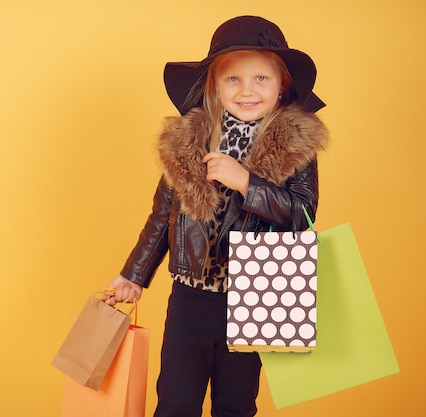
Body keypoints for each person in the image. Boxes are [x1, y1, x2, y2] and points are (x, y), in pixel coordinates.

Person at [104, 15, 329, 417]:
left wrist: (247, 181)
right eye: (233, 79)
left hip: (256, 293)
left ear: (282, 87)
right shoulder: (189, 141)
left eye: (261, 79)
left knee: (236, 403)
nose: (247, 90)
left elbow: (302, 214)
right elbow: (162, 216)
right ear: (215, 86)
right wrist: (133, 275)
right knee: (176, 400)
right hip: (191, 296)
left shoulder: (297, 146)